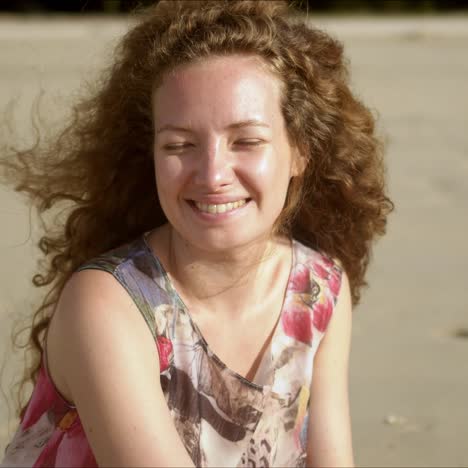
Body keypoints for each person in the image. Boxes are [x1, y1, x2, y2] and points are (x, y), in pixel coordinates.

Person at [0, 1, 393, 466]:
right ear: (149, 156)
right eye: (180, 145)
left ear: (300, 153)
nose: (212, 174)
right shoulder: (107, 305)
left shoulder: (320, 288)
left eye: (246, 141)